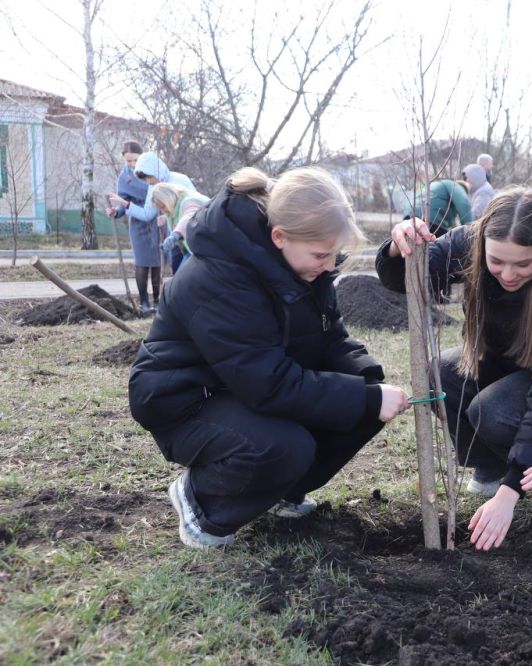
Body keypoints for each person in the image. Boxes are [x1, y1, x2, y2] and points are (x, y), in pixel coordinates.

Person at [129, 166, 411, 549]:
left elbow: (329, 338)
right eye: (321, 255)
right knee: (286, 446)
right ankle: (201, 501)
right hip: (185, 400)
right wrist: (365, 397)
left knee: (362, 403)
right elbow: (268, 383)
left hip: (239, 388)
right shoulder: (219, 280)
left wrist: (371, 384)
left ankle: (279, 490)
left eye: (334, 255)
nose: (330, 266)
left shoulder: (302, 268)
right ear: (279, 237)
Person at [375, 188, 532, 551]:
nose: (508, 274)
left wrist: (511, 491)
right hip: (496, 367)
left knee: (492, 410)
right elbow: (404, 276)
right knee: (442, 374)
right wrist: (399, 245)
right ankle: (489, 466)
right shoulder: (468, 242)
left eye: (523, 264)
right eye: (497, 261)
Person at [105, 141, 158, 313]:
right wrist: (116, 211)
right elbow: (122, 201)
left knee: (157, 261)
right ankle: (144, 302)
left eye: (134, 160)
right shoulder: (124, 178)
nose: (132, 164)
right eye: (128, 161)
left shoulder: (152, 169)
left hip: (157, 218)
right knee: (142, 262)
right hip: (137, 220)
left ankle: (158, 301)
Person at [151, 182, 210, 273]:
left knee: (183, 281)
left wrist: (175, 235)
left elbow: (189, 217)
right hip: (197, 252)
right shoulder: (177, 204)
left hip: (209, 253)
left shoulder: (189, 201)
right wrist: (166, 219)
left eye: (163, 206)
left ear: (168, 199)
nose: (163, 210)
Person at [404, 178, 473, 237]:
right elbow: (463, 203)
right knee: (443, 247)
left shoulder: (438, 187)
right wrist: (470, 229)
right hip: (431, 218)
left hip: (409, 214)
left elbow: (452, 222)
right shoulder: (456, 186)